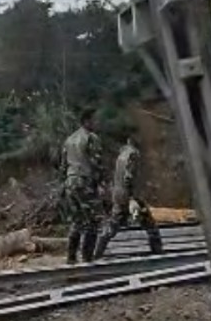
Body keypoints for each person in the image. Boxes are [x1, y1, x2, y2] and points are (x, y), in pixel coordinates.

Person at [95, 137, 164, 259]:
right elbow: (128, 177)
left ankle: (98, 250)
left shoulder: (121, 155)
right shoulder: (133, 154)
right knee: (149, 223)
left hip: (118, 194)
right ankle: (158, 252)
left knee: (114, 224)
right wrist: (132, 198)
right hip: (128, 195)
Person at [60, 108, 106, 265]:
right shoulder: (91, 138)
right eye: (95, 119)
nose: (97, 122)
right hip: (84, 181)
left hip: (70, 182)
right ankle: (87, 259)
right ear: (87, 121)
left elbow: (63, 165)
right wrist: (101, 182)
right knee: (92, 221)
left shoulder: (69, 139)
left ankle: (71, 258)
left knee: (77, 220)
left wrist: (63, 184)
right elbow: (96, 162)